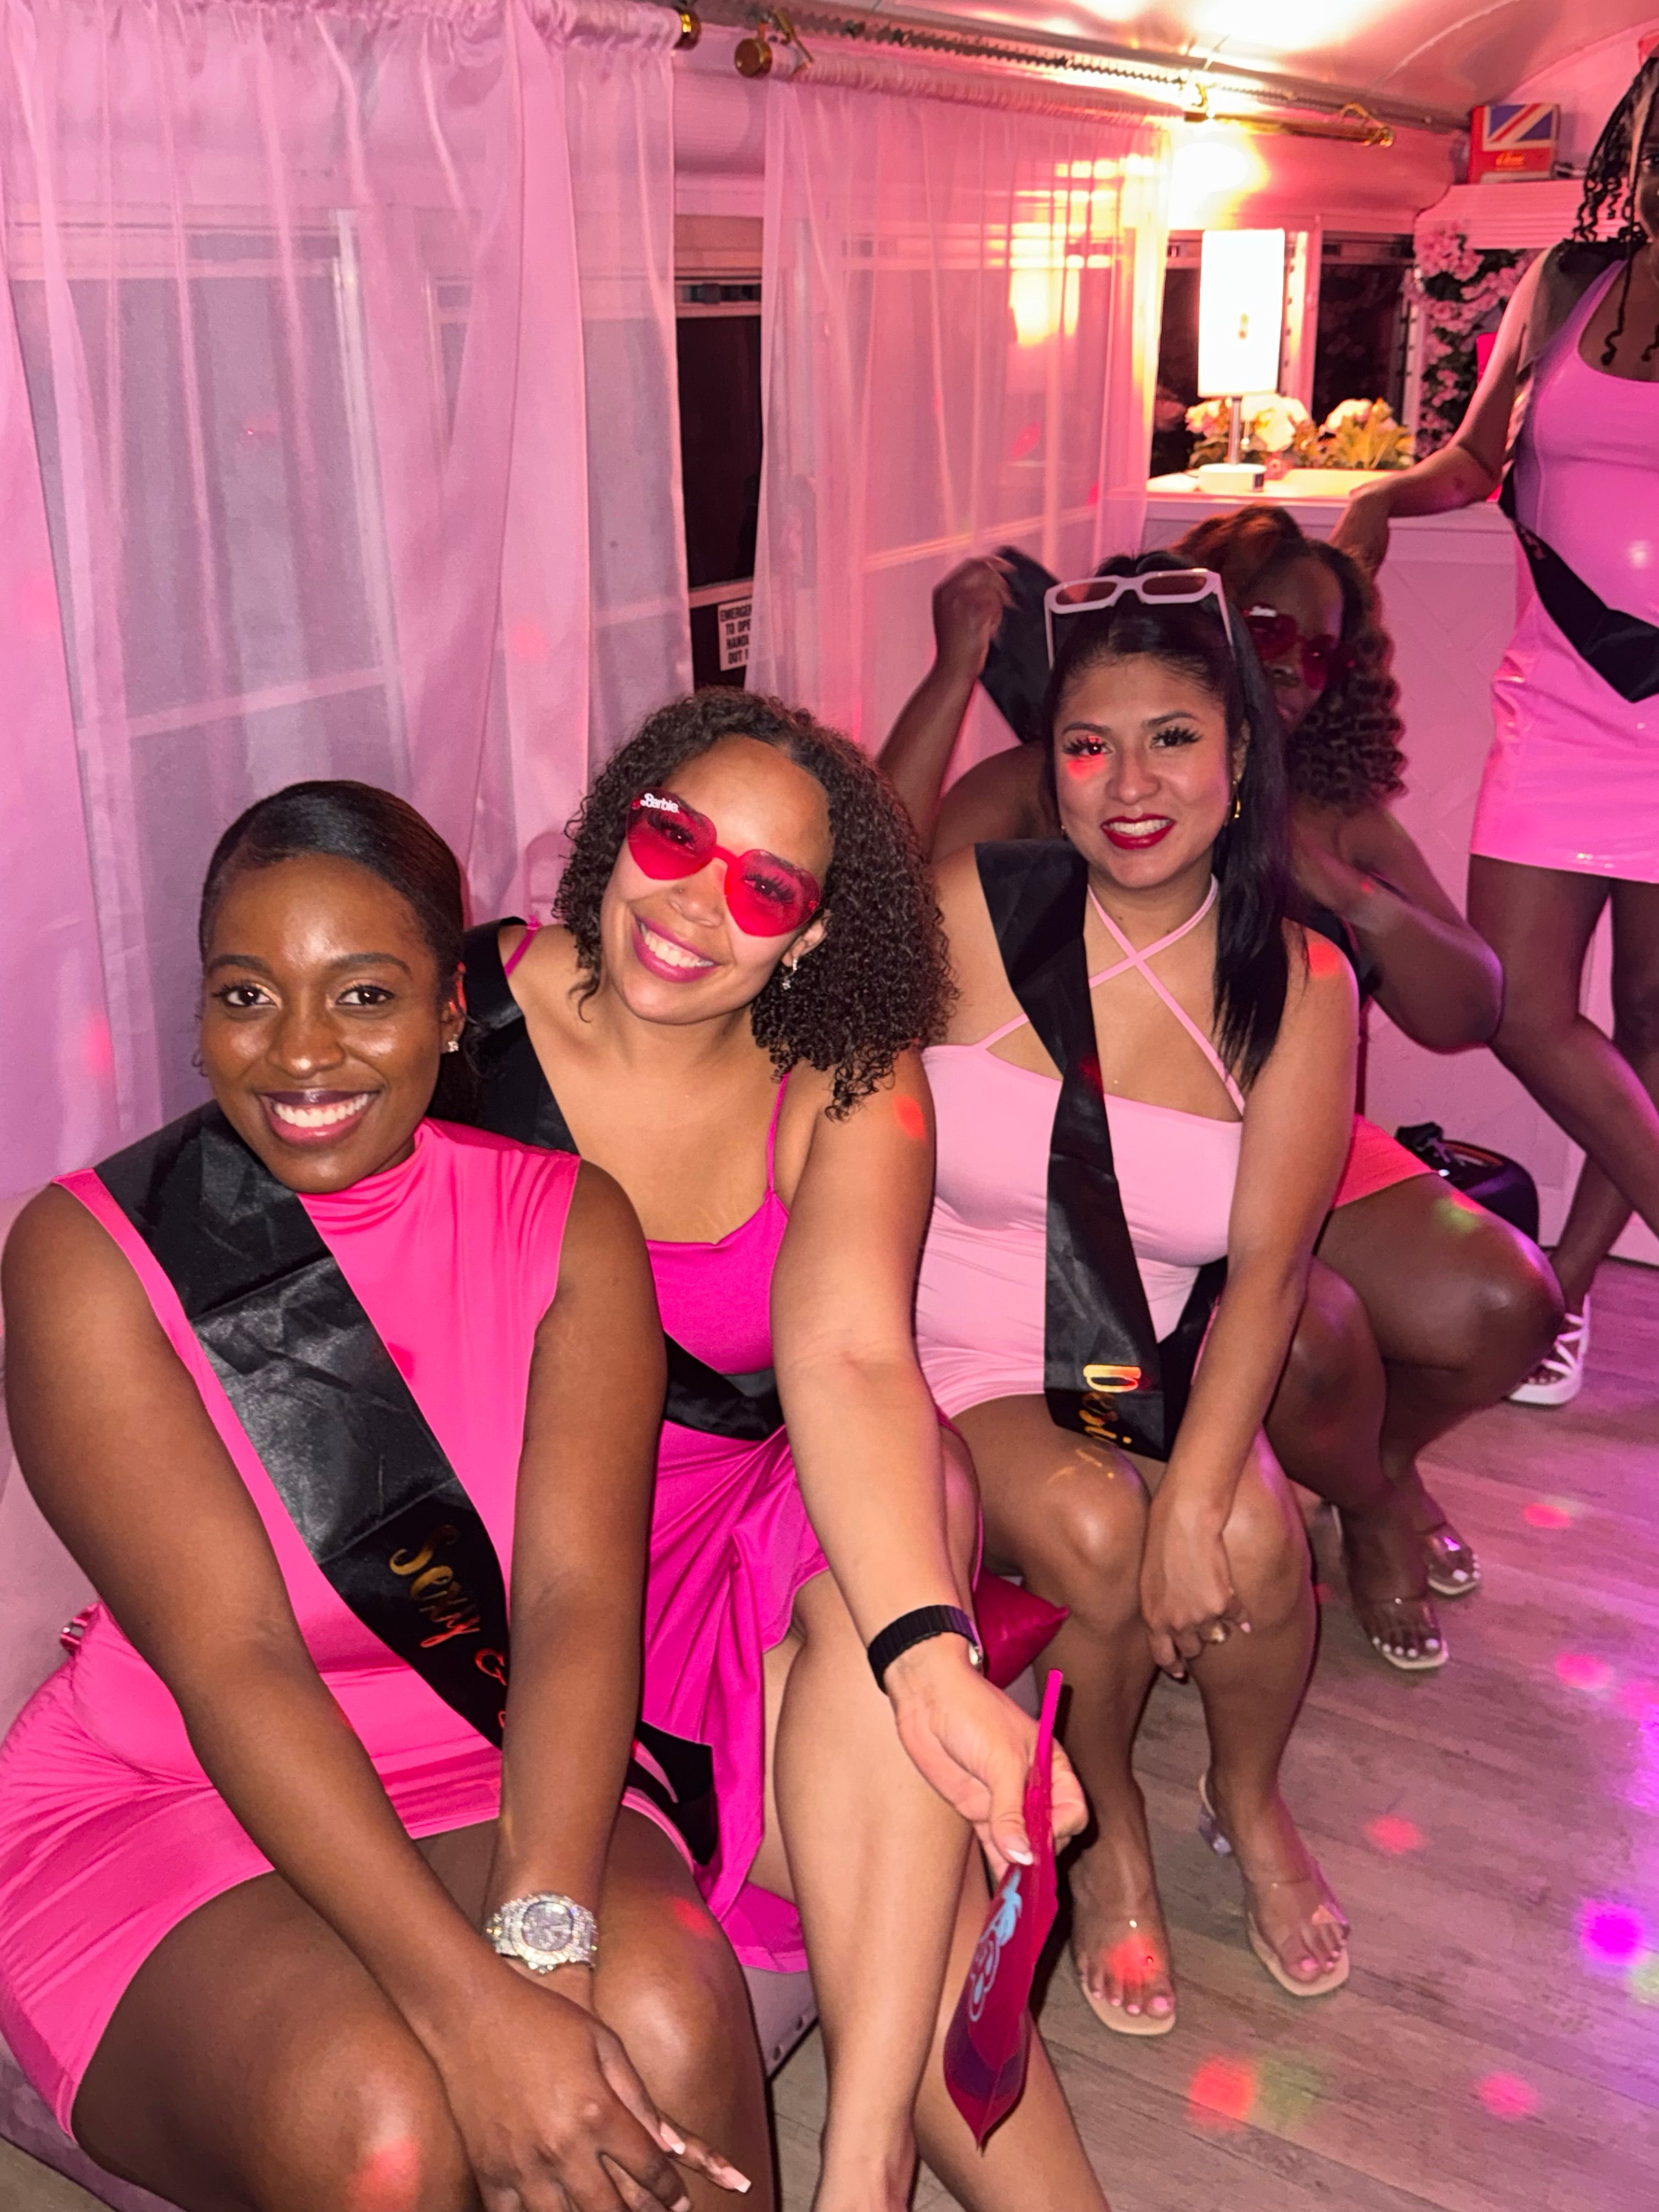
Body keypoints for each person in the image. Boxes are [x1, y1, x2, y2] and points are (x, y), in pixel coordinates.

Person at [0, 782, 759, 2212]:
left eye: (361, 994)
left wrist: (540, 1949)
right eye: (247, 994)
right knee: (387, 2125)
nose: (298, 1052)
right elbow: (235, 1665)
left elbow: (577, 1600)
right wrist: (478, 2020)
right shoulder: (86, 1256)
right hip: (175, 1797)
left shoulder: (567, 1223)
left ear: (453, 1005)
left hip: (491, 1750)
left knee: (663, 2016)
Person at [457, 692, 1103, 2211]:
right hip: (503, 1549)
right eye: (675, 839)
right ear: (619, 826)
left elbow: (854, 1352)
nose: (695, 905)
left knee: (896, 1534)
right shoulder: (467, 1006)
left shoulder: (850, 1078)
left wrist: (933, 1653)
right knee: (923, 1863)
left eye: (764, 888)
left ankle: (866, 2166)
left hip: (733, 1545)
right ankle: (887, 2173)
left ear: (808, 936)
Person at [881, 522, 1561, 1669]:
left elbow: (1469, 1007)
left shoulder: (1324, 809)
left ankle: (1370, 1480)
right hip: (1100, 1142)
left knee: (1499, 1300)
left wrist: (1328, 878)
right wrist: (954, 671)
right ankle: (1345, 1491)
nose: (1295, 667)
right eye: (1271, 634)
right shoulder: (1065, 791)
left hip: (1284, 1120)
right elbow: (887, 900)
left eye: (1323, 655)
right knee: (1309, 1338)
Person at [916, 556, 1354, 2039]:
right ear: (1050, 772)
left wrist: (1199, 1498)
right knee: (1101, 1534)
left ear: (1241, 758)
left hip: (1148, 1354)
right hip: (958, 1353)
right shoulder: (975, 922)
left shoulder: (1296, 984)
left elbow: (1274, 1272)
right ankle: (1109, 1846)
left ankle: (1248, 1796)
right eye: (1090, 747)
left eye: (1174, 736)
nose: (1130, 783)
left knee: (1255, 1535)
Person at [1334, 51, 1659, 1409]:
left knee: (1649, 1016)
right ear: (1636, 147)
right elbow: (1476, 460)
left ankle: (1564, 1296)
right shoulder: (1569, 284)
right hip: (1564, 697)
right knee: (1523, 1008)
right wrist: (1376, 509)